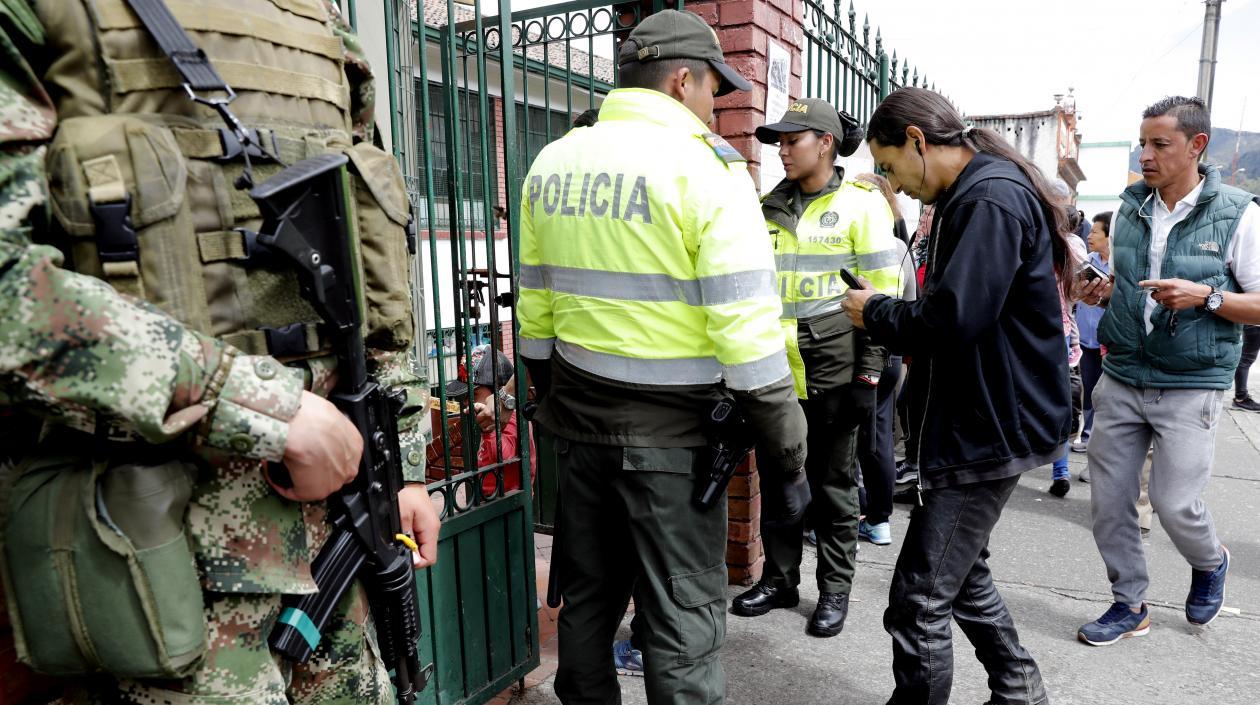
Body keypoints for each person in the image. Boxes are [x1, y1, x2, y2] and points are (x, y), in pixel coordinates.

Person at [0, 2, 439, 703]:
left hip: (342, 539)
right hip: (161, 567)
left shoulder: (317, 17)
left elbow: (367, 256)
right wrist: (266, 407)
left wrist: (407, 467)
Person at [517, 10, 808, 705]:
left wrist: (559, 402)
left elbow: (534, 317)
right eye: (715, 90)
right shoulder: (708, 170)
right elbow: (747, 335)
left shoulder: (553, 162)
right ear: (683, 81)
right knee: (682, 620)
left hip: (581, 435)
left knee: (588, 600)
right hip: (673, 449)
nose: (716, 106)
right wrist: (787, 454)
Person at [844, 87, 1072, 705]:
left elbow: (955, 319)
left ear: (918, 141)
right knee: (963, 575)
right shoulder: (967, 196)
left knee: (918, 599)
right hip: (975, 421)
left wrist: (879, 314)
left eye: (889, 167)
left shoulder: (989, 198)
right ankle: (1021, 690)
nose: (895, 183)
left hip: (988, 425)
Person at [1075, 96, 1260, 646]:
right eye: (1143, 142)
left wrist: (1205, 297)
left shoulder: (1239, 214)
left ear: (1197, 146)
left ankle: (1210, 561)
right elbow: (1127, 288)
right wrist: (1103, 292)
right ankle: (1129, 604)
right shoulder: (1131, 206)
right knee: (1110, 504)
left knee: (1177, 504)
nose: (1146, 155)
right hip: (1125, 373)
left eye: (1160, 144)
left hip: (1191, 384)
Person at [728, 99, 898, 637]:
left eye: (791, 140)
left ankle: (835, 590)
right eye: (777, 141)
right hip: (774, 374)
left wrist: (868, 376)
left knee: (833, 486)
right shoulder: (765, 209)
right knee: (780, 478)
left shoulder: (862, 206)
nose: (780, 150)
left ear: (825, 142)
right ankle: (780, 581)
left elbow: (883, 299)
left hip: (835, 369)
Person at [851, 172, 914, 546]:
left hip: (864, 354)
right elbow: (911, 301)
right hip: (894, 358)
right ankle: (880, 520)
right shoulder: (899, 247)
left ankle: (862, 514)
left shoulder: (863, 243)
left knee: (856, 440)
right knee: (881, 438)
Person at [1073, 211, 1112, 456]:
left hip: (1106, 342)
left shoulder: (1117, 266)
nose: (1090, 236)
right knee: (1088, 389)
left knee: (1104, 394)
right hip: (1086, 339)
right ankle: (1087, 435)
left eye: (1096, 232)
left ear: (1109, 236)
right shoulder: (1088, 260)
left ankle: (1096, 441)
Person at [1233, 325, 1260, 410]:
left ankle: (1241, 397)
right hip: (1256, 323)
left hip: (1253, 323)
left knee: (1245, 360)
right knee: (1246, 360)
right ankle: (1241, 397)